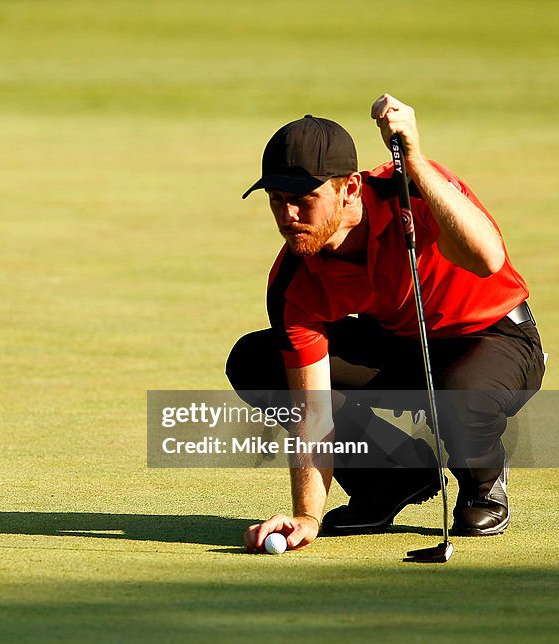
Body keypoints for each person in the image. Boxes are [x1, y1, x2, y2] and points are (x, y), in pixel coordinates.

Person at [226, 94, 545, 553]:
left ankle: (482, 484)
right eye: (277, 201)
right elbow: (312, 411)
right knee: (258, 361)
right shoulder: (294, 280)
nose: (288, 216)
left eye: (303, 199)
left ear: (349, 188)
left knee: (460, 393)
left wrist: (415, 162)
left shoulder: (413, 188)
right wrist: (306, 514)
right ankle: (392, 478)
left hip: (494, 336)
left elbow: (487, 259)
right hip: (401, 344)